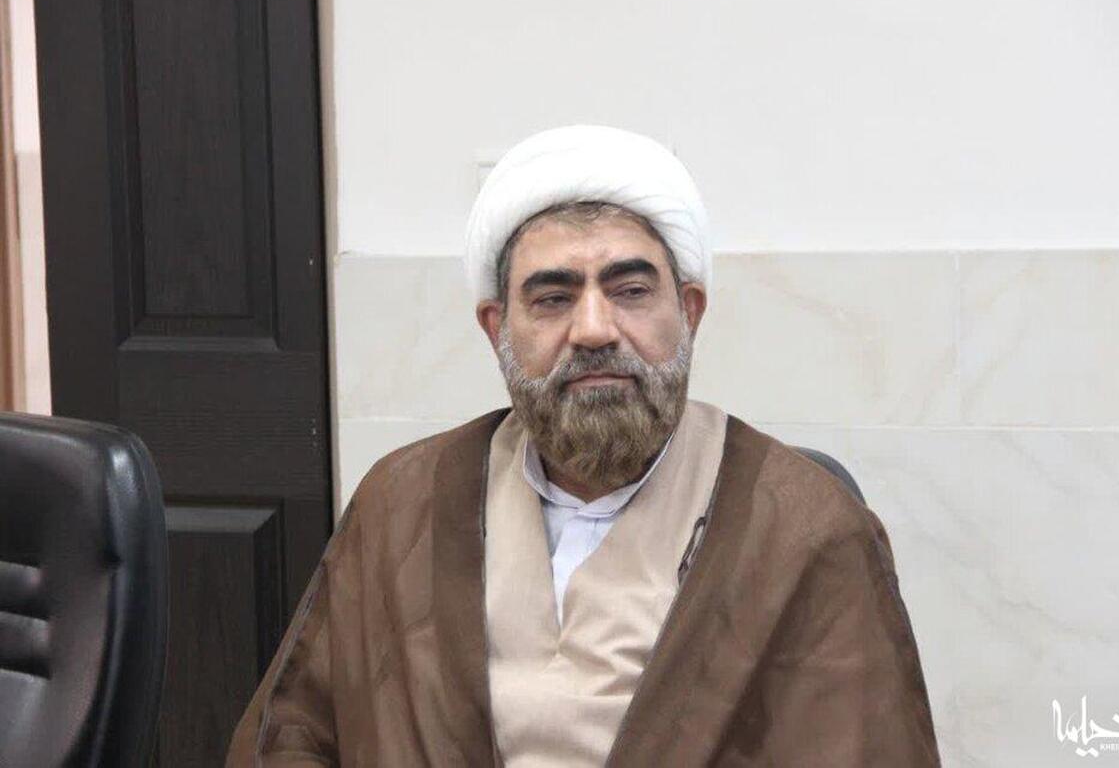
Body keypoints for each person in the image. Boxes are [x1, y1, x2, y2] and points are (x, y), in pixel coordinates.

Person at [226, 125, 942, 766]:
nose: (595, 328)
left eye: (630, 290)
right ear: (496, 329)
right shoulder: (402, 501)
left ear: (689, 312)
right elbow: (291, 736)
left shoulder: (805, 530)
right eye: (553, 298)